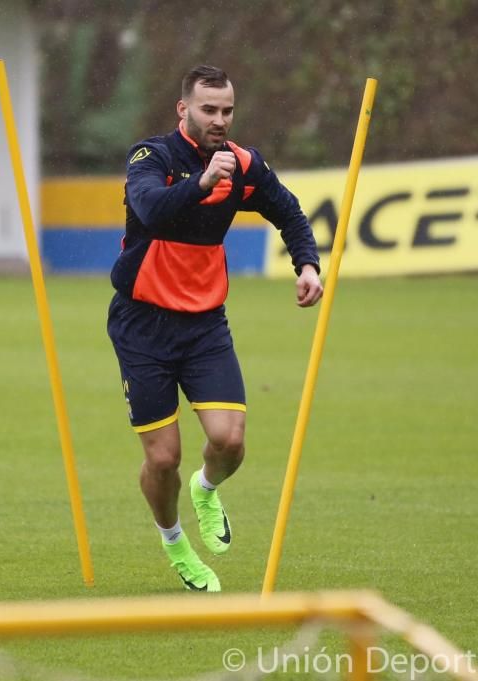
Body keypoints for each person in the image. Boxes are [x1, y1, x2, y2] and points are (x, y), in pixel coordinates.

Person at [107, 65, 323, 592]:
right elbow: (149, 209)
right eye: (209, 110)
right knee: (163, 458)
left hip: (204, 325)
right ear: (184, 110)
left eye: (227, 110)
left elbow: (288, 212)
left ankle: (206, 490)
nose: (220, 120)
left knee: (229, 443)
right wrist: (202, 182)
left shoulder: (244, 163)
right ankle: (175, 541)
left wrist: (308, 264)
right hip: (143, 324)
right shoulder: (151, 157)